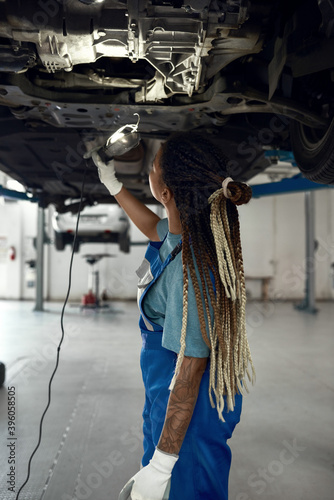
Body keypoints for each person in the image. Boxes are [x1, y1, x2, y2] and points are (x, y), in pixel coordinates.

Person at [93, 132, 255, 500]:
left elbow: (191, 368)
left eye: (152, 166)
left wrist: (162, 464)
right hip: (164, 395)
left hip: (190, 413)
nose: (149, 169)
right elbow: (153, 227)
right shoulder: (182, 234)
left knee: (191, 489)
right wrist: (113, 183)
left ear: (165, 192)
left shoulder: (192, 270)